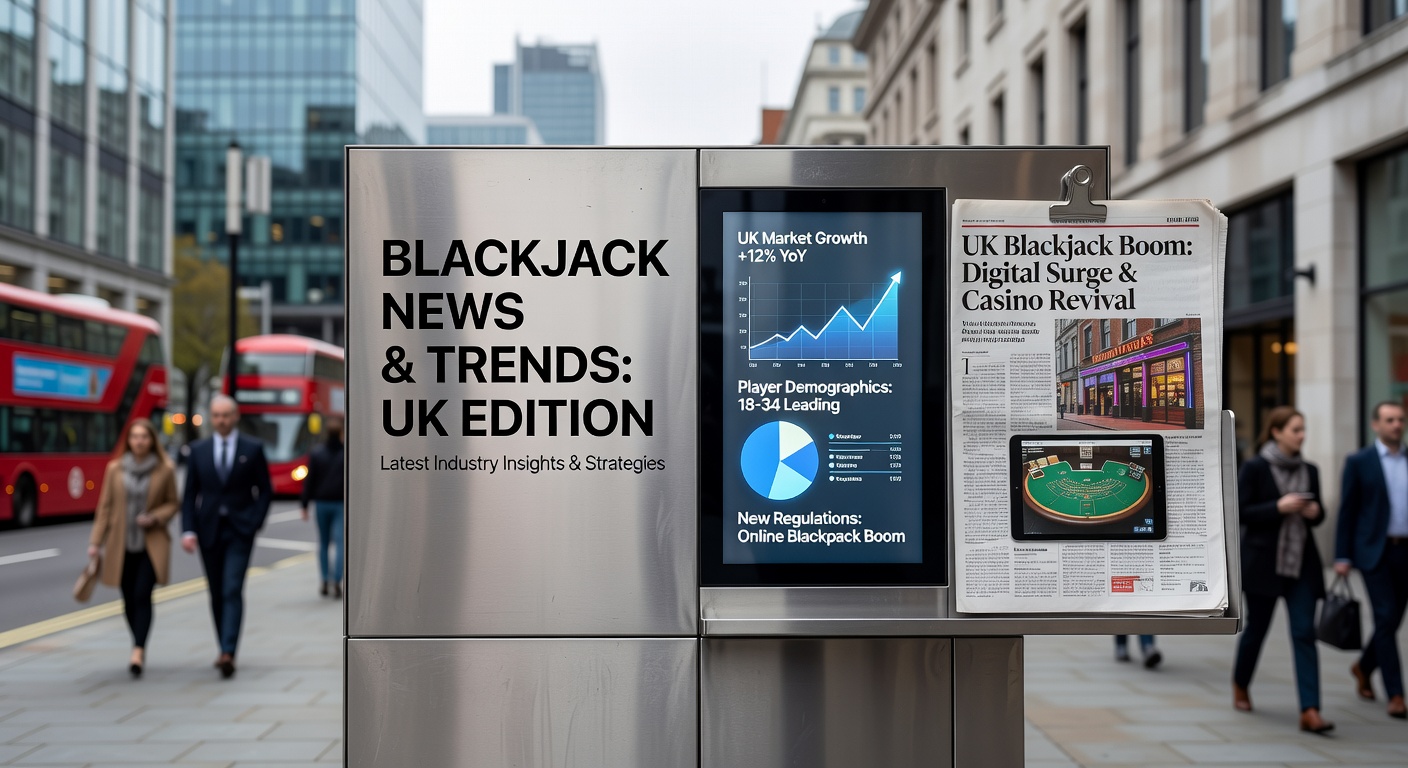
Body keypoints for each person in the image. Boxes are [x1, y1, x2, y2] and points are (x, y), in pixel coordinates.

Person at [1232, 406, 1333, 733]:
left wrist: (1315, 512)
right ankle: (1241, 683)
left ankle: (1311, 710)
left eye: (1303, 429)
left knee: (1304, 633)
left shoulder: (1311, 470)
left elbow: (1318, 514)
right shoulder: (1255, 468)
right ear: (1276, 432)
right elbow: (1241, 511)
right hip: (1263, 563)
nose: (1302, 435)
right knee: (1257, 629)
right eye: (1295, 430)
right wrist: (1278, 507)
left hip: (1302, 562)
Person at [180, 395, 272, 679]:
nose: (221, 420)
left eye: (226, 415)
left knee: (232, 588)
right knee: (216, 592)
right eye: (216, 415)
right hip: (208, 531)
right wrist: (188, 530)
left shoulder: (253, 449)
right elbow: (189, 495)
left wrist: (255, 523)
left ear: (236, 416)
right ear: (211, 417)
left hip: (240, 531)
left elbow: (265, 490)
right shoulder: (198, 451)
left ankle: (228, 651)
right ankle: (223, 644)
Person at [87, 418, 179, 678]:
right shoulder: (115, 469)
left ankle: (138, 649)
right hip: (121, 544)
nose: (139, 441)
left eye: (144, 437)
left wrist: (155, 517)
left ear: (152, 440)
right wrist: (96, 542)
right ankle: (137, 641)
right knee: (128, 598)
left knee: (142, 595)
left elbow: (173, 503)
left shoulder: (165, 469)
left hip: (151, 544)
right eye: (134, 437)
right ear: (128, 441)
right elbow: (104, 508)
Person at [1336, 401, 1408, 720]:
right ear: (1375, 424)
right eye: (1390, 420)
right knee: (1386, 615)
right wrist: (1342, 554)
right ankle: (1396, 694)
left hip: (1405, 552)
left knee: (1391, 620)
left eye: (1400, 420)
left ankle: (1363, 666)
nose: (1396, 425)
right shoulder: (1359, 461)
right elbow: (1347, 511)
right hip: (1373, 552)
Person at [301, 414, 345, 598]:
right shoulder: (347, 453)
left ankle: (325, 578)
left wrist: (304, 504)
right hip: (341, 503)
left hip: (321, 503)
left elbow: (309, 481)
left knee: (324, 543)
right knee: (341, 543)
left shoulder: (317, 453)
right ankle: (337, 579)